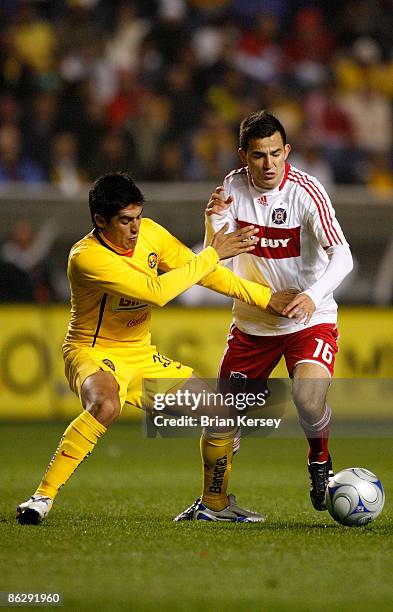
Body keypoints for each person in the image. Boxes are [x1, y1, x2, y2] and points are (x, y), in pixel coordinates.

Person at [16, 172, 297, 525]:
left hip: (142, 358)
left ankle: (215, 505)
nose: (135, 228)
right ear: (100, 221)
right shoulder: (86, 258)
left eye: (137, 217)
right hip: (92, 352)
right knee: (106, 404)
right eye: (124, 221)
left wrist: (264, 297)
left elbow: (200, 273)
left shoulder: (150, 232)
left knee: (221, 416)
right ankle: (42, 497)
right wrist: (212, 252)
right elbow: (156, 292)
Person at [175, 110, 353, 522]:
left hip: (309, 319)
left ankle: (319, 459)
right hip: (253, 325)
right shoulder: (230, 190)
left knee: (308, 400)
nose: (269, 163)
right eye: (259, 155)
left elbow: (341, 256)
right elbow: (213, 260)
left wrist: (311, 296)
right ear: (244, 155)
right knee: (222, 420)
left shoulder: (307, 192)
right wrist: (211, 221)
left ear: (287, 150)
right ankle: (213, 503)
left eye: (276, 153)